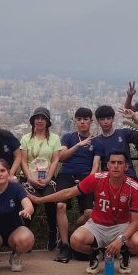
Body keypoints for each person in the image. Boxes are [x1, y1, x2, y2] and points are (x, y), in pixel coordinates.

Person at [32, 152, 138, 275]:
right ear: (107, 165)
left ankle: (124, 253)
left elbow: (135, 222)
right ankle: (96, 253)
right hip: (97, 225)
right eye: (113, 162)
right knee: (75, 240)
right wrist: (40, 200)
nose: (116, 166)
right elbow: (68, 193)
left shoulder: (134, 188)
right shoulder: (97, 178)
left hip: (122, 225)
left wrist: (121, 240)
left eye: (120, 163)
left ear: (126, 166)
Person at [16, 106, 63, 252]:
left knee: (51, 201)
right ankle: (25, 237)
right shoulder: (26, 138)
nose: (40, 121)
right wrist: (30, 179)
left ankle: (52, 234)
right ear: (33, 121)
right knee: (29, 203)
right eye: (37, 118)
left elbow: (55, 160)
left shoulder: (54, 139)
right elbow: (23, 161)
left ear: (48, 122)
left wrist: (48, 178)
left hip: (48, 178)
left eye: (43, 118)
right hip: (29, 178)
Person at [53, 107, 97, 262]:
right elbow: (62, 157)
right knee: (60, 206)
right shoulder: (68, 137)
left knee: (89, 213)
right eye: (79, 119)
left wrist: (91, 180)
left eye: (85, 119)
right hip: (67, 174)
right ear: (75, 121)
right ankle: (64, 245)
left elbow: (96, 166)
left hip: (86, 177)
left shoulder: (96, 141)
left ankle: (71, 233)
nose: (82, 122)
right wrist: (79, 145)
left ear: (91, 121)